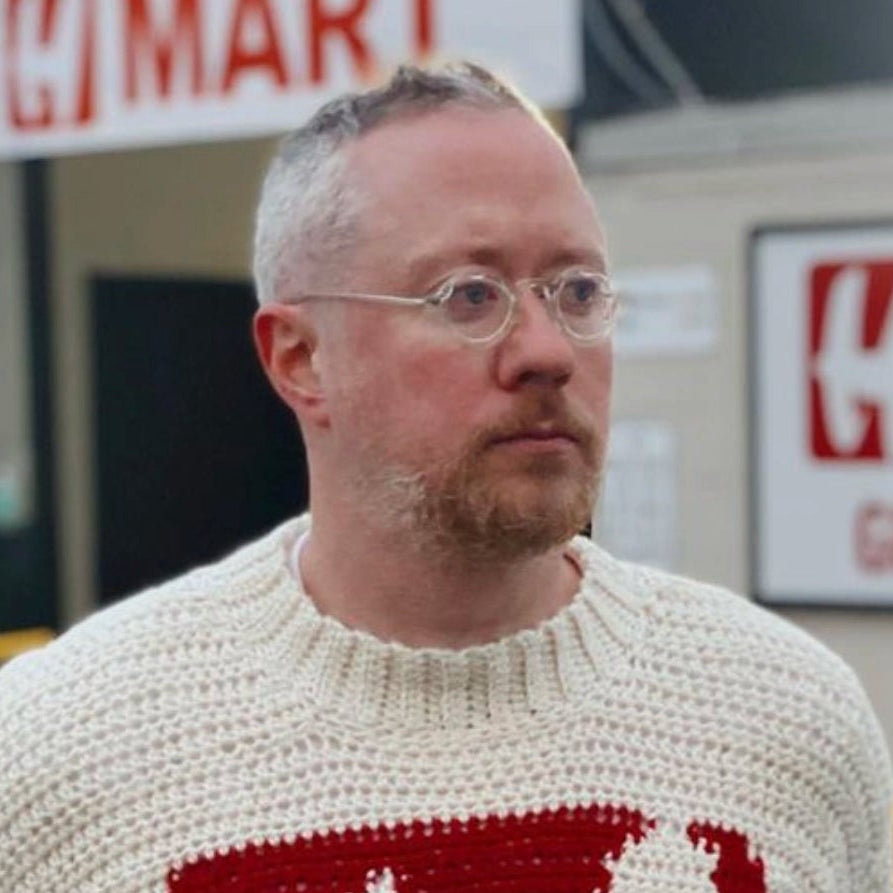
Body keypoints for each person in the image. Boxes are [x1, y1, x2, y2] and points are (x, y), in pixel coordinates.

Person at [0, 62, 890, 893]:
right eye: (468, 295)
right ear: (301, 358)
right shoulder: (66, 759)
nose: (546, 350)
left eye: (577, 290)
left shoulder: (786, 722)